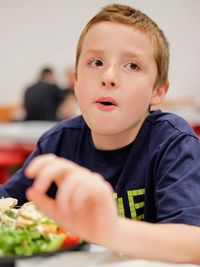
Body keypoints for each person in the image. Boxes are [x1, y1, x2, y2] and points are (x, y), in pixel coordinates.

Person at [0, 3, 200, 263]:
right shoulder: (57, 143)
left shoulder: (173, 144)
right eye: (96, 62)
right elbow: (7, 202)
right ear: (76, 82)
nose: (108, 76)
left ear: (158, 91)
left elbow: (194, 243)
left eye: (132, 66)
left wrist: (109, 230)